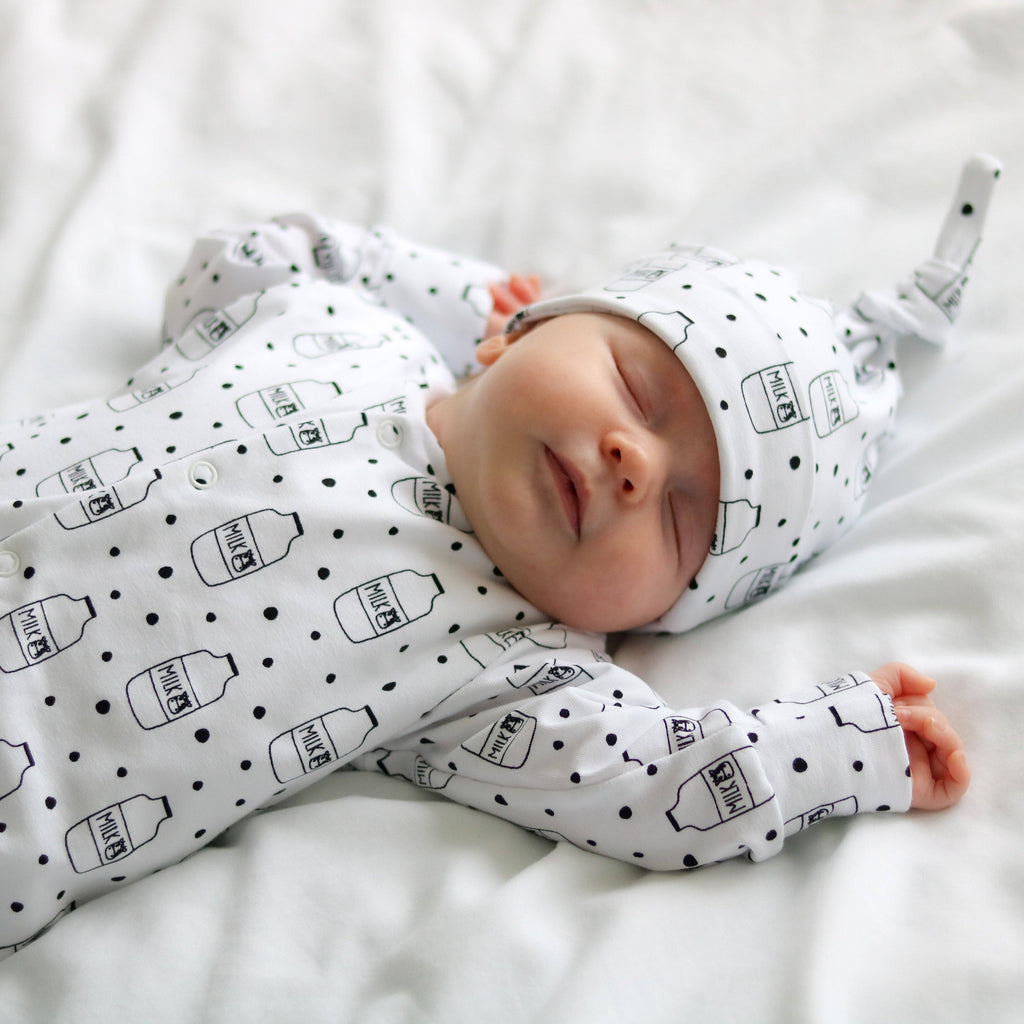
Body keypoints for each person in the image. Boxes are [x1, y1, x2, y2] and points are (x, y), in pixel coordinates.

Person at [0, 155, 994, 957]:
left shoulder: (506, 661)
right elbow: (234, 263)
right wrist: (458, 294)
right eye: (639, 394)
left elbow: (660, 787)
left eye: (685, 519)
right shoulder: (352, 327)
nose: (632, 464)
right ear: (529, 327)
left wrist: (834, 748)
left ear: (657, 613)